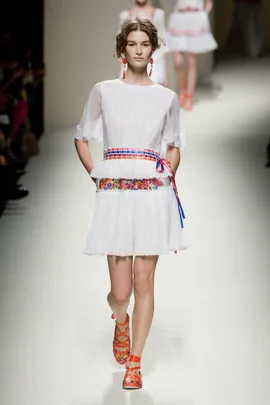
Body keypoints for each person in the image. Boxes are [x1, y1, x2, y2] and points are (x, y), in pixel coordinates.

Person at [74, 17, 188, 390]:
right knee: (120, 292)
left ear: (152, 50)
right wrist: (97, 176)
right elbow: (82, 137)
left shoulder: (166, 97)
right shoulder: (104, 90)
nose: (138, 50)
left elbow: (174, 146)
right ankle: (120, 319)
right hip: (117, 196)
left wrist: (165, 177)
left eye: (144, 44)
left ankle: (134, 362)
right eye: (132, 44)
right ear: (122, 49)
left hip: (152, 197)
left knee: (145, 281)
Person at [167, 0, 217, 110]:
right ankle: (182, 91)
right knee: (178, 62)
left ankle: (189, 96)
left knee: (191, 61)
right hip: (179, 19)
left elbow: (209, 3)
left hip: (195, 19)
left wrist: (204, 15)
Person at [118, 0, 169, 87]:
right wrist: (120, 74)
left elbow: (162, 47)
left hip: (154, 66)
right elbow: (121, 48)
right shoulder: (124, 16)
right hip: (130, 67)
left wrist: (165, 77)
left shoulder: (158, 14)